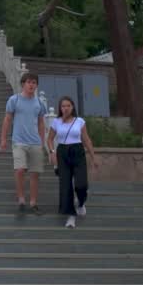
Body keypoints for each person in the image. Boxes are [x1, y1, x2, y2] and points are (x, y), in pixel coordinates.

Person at [47, 96, 99, 229]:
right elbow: (50, 139)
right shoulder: (56, 122)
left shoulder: (79, 121)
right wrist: (52, 152)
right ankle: (71, 216)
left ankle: (81, 203)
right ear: (60, 108)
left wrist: (93, 157)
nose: (65, 108)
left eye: (68, 106)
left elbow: (87, 140)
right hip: (62, 152)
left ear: (73, 107)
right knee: (65, 186)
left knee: (81, 184)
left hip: (78, 152)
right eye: (63, 106)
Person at [0, 72, 47, 214]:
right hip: (18, 141)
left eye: (34, 82)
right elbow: (7, 119)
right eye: (29, 82)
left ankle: (33, 203)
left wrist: (42, 141)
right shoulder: (14, 100)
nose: (31, 85)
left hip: (35, 143)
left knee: (35, 174)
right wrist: (3, 139)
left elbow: (41, 123)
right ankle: (21, 199)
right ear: (23, 84)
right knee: (20, 170)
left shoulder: (39, 103)